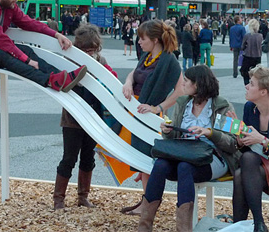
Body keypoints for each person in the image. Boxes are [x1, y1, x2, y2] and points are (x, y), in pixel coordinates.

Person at [137, 65, 240, 232]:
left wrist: (210, 133)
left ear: (197, 85)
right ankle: (144, 227)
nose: (182, 84)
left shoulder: (222, 106)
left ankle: (183, 229)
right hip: (184, 154)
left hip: (211, 158)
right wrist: (168, 132)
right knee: (160, 164)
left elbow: (233, 143)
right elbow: (175, 139)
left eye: (186, 81)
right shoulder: (183, 103)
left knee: (185, 168)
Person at [102, 20, 184, 215]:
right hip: (134, 111)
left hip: (146, 114)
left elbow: (180, 90)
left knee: (146, 159)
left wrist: (158, 108)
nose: (138, 41)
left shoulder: (169, 61)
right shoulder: (147, 56)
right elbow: (133, 73)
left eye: (142, 38)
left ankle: (148, 204)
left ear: (155, 40)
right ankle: (145, 201)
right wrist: (128, 83)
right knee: (140, 158)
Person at [53, 24, 117, 210]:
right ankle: (59, 198)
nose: (89, 54)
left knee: (89, 158)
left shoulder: (101, 60)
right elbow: (63, 83)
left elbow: (111, 79)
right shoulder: (69, 60)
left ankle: (83, 197)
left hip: (94, 117)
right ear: (78, 48)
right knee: (69, 158)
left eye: (93, 50)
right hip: (73, 118)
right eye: (85, 50)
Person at [231, 65, 269, 232]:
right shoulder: (249, 108)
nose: (246, 86)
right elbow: (246, 151)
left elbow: (260, 143)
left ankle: (247, 225)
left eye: (251, 84)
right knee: (245, 164)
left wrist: (262, 140)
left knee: (241, 173)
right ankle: (257, 224)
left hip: (261, 170)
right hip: (257, 170)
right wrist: (240, 140)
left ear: (263, 92)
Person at [240, 19, 263, 86]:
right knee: (257, 73)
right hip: (257, 56)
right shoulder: (260, 36)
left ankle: (247, 84)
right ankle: (255, 84)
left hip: (248, 55)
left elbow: (242, 46)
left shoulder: (247, 36)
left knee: (244, 71)